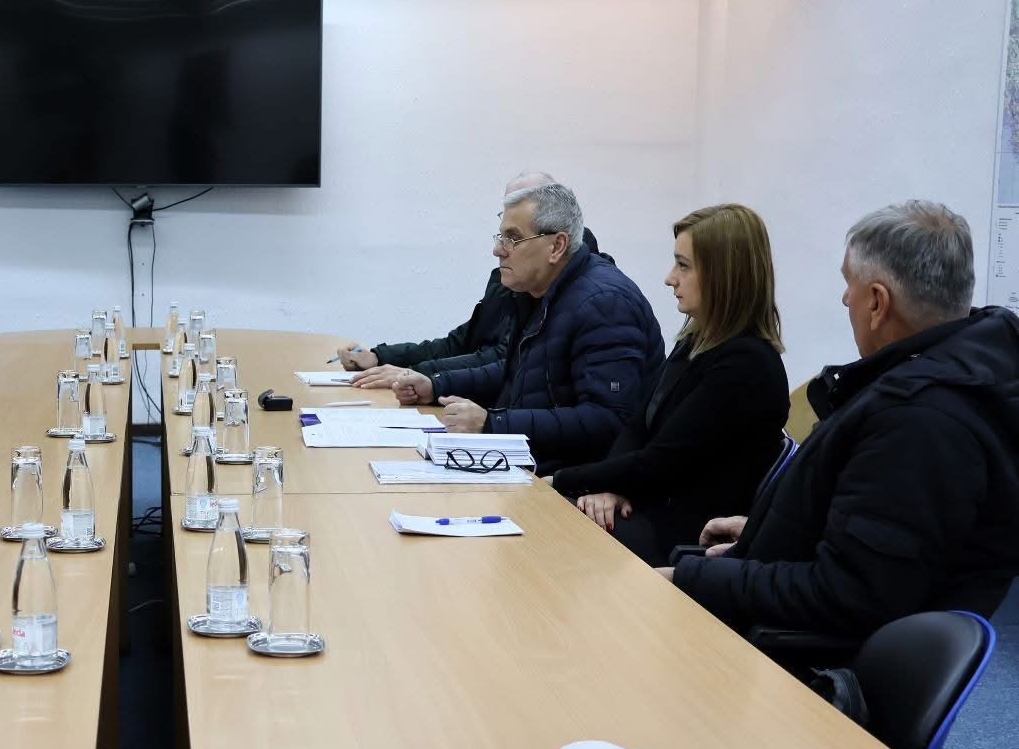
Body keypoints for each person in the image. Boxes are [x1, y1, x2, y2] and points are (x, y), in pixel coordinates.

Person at [665, 200, 1019, 639]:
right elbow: (875, 534)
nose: (845, 298)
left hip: (798, 662)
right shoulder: (937, 381)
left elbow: (845, 594)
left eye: (850, 284)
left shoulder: (919, 422)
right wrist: (766, 533)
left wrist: (690, 579)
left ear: (877, 302)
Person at [551, 204, 788, 565]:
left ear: (723, 275)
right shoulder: (696, 341)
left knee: (554, 527)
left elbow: (661, 462)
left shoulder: (746, 365)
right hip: (650, 510)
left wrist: (558, 480)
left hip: (685, 538)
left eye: (683, 265)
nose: (670, 278)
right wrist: (607, 487)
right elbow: (638, 427)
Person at [391, 182, 665, 474]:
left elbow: (609, 419)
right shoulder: (536, 292)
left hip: (573, 483)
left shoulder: (604, 303)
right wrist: (436, 385)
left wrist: (492, 424)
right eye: (501, 237)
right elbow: (519, 372)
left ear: (556, 246)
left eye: (513, 238)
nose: (498, 250)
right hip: (533, 466)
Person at [333, 171, 598, 390]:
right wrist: (380, 357)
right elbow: (461, 342)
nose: (498, 249)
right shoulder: (510, 276)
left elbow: (504, 361)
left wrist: (419, 376)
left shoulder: (582, 293)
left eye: (515, 233)